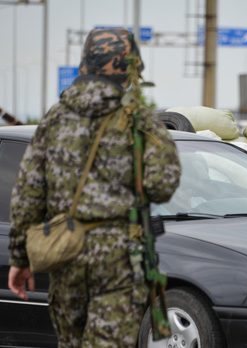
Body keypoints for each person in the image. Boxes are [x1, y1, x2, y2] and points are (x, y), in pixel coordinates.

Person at [8, 28, 181, 347]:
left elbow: (28, 193)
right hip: (118, 257)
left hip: (65, 253)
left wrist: (20, 258)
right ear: (132, 74)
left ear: (84, 68)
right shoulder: (140, 121)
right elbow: (163, 184)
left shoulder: (55, 119)